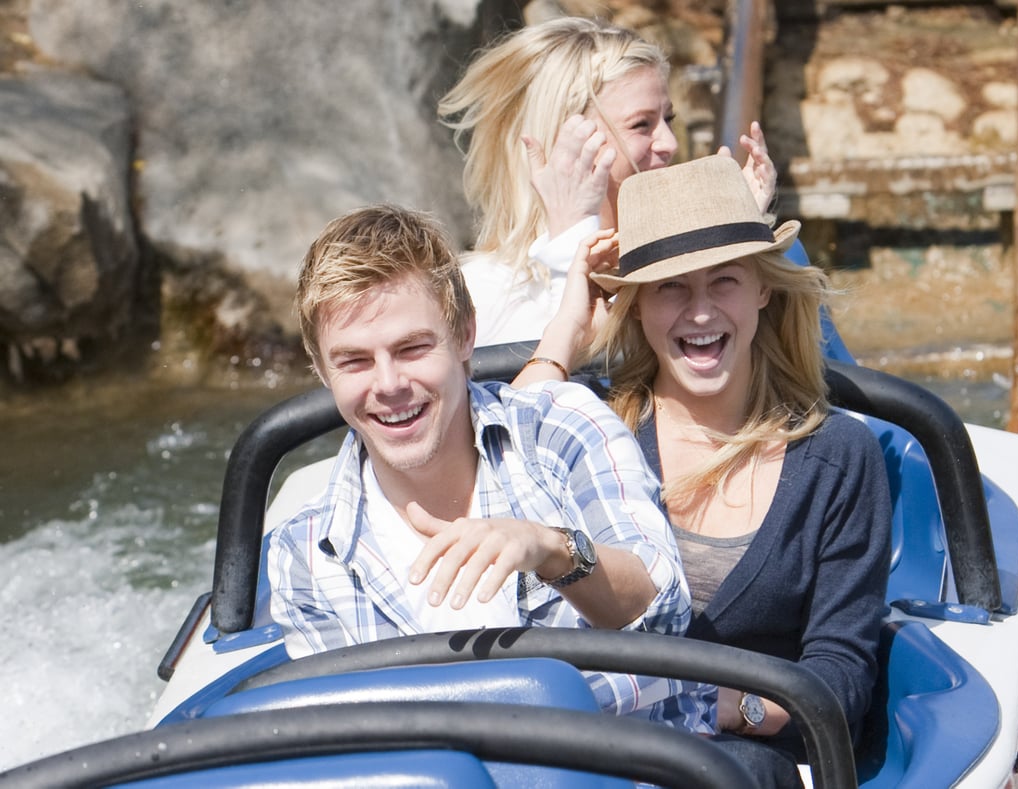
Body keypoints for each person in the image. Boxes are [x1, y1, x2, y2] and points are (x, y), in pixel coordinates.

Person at [516, 155, 892, 787]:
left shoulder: (838, 456)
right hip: (595, 751)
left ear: (764, 288)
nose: (699, 312)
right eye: (670, 287)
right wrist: (565, 329)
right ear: (634, 307)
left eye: (724, 281)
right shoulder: (592, 428)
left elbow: (840, 675)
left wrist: (725, 709)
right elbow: (506, 450)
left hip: (749, 761)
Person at [266, 203, 715, 732]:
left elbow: (662, 612)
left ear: (464, 336)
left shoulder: (559, 430)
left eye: (412, 348)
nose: (387, 385)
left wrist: (549, 549)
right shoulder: (305, 557)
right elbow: (355, 749)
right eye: (354, 361)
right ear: (321, 369)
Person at [438, 15, 778, 347]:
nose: (670, 144)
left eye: (668, 119)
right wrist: (570, 245)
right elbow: (548, 393)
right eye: (641, 125)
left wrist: (743, 236)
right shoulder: (486, 291)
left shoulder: (676, 257)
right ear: (564, 143)